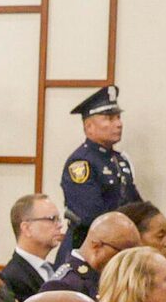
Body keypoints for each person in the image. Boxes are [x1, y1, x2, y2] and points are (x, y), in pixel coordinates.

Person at [56, 88, 142, 254]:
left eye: (118, 117)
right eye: (109, 118)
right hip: (88, 249)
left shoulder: (120, 160)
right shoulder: (81, 163)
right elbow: (92, 215)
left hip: (117, 248)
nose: (118, 123)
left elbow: (136, 206)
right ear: (89, 126)